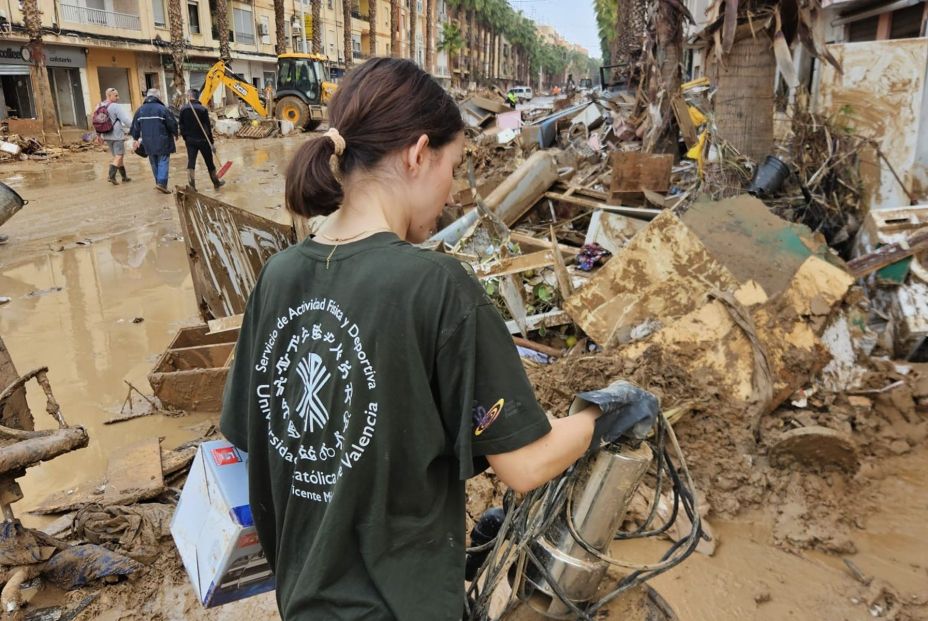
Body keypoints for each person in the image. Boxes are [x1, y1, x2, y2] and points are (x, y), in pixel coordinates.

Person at [219, 58, 648, 620]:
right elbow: (525, 466)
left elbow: (258, 446)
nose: (450, 195)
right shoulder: (437, 287)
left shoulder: (277, 277)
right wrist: (604, 413)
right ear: (418, 154)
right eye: (455, 165)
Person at [130, 88, 178, 194]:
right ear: (157, 97)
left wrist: (135, 138)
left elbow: (135, 126)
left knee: (153, 162)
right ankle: (161, 184)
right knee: (163, 161)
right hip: (163, 141)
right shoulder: (163, 109)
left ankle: (158, 183)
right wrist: (175, 133)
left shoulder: (140, 110)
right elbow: (172, 123)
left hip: (147, 142)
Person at [178, 89, 224, 191]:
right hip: (203, 140)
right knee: (209, 162)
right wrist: (211, 143)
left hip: (190, 140)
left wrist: (186, 137)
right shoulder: (203, 109)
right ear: (197, 97)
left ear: (189, 97)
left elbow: (181, 125)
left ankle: (192, 186)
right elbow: (207, 127)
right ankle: (216, 182)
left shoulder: (183, 109)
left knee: (191, 161)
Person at [94, 87, 133, 185]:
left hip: (106, 135)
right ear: (109, 95)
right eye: (116, 95)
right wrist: (135, 127)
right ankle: (111, 176)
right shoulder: (115, 106)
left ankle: (124, 177)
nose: (118, 97)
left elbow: (95, 122)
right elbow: (125, 120)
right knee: (119, 155)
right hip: (116, 135)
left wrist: (98, 135)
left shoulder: (99, 105)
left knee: (118, 156)